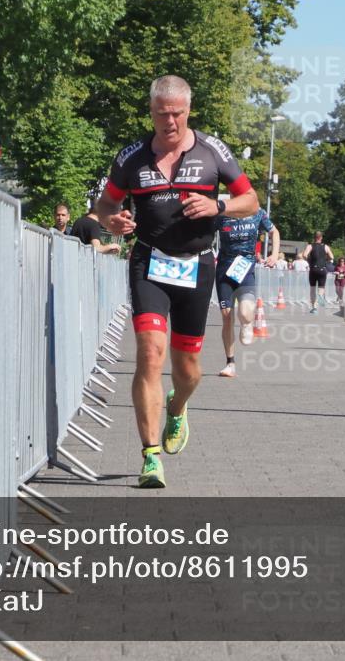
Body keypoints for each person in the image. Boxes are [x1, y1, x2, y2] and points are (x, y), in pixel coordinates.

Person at [97, 75, 259, 488]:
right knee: (150, 353)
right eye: (161, 114)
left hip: (198, 265)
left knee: (188, 370)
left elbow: (251, 200)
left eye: (177, 114)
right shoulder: (131, 158)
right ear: (150, 111)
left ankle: (178, 406)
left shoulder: (213, 152)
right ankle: (150, 456)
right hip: (149, 261)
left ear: (188, 111)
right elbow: (106, 204)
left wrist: (218, 203)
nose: (169, 122)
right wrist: (111, 219)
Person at [215, 208, 280, 378]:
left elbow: (274, 231)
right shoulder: (221, 212)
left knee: (244, 312)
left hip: (245, 269)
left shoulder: (257, 212)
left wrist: (274, 255)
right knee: (226, 316)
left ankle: (247, 323)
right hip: (224, 271)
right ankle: (230, 363)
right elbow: (203, 235)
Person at [302, 232, 333, 313]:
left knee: (312, 288)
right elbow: (332, 257)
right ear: (321, 238)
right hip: (323, 269)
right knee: (321, 287)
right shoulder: (326, 247)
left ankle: (314, 308)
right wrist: (326, 260)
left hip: (313, 269)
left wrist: (309, 261)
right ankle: (320, 296)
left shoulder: (310, 246)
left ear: (314, 237)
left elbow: (304, 255)